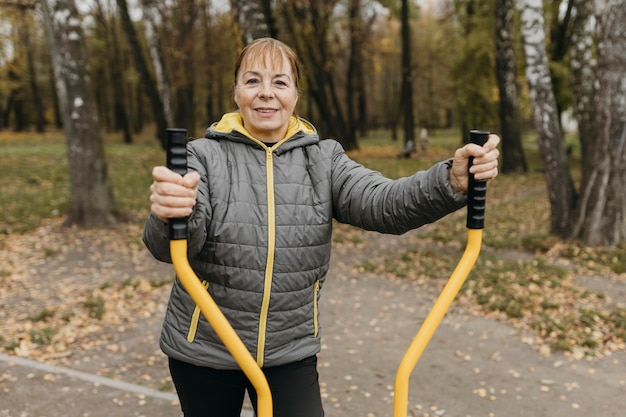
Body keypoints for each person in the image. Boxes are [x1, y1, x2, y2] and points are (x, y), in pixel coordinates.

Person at [143, 37, 500, 417]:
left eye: (280, 82)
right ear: (236, 92)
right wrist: (169, 212)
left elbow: (386, 204)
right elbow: (172, 247)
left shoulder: (325, 159)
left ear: (295, 94)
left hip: (289, 351)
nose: (266, 94)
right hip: (206, 349)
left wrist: (452, 182)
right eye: (253, 81)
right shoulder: (202, 156)